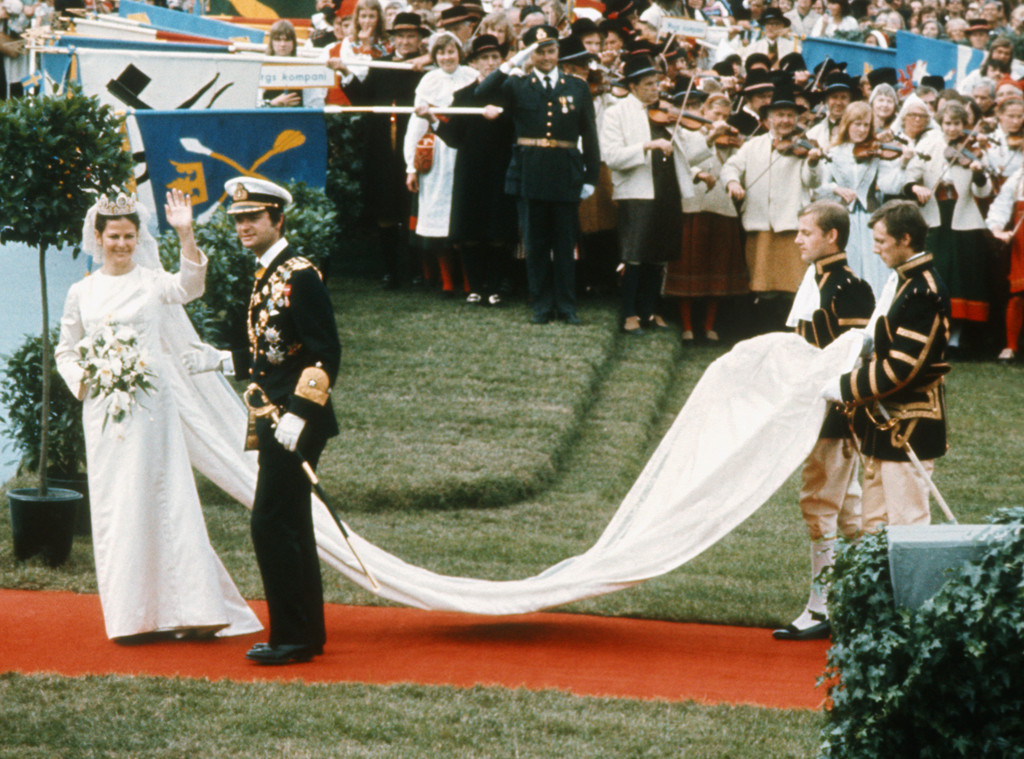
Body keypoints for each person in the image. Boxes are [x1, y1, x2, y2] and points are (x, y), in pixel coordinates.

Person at [54, 190, 262, 643]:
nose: (123, 244)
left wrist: (186, 232)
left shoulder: (152, 281)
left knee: (165, 500)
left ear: (138, 237)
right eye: (114, 236)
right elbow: (66, 349)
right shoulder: (81, 292)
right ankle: (132, 617)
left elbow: (190, 286)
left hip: (153, 411)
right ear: (98, 236)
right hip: (105, 414)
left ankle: (193, 608)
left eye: (130, 236)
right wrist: (86, 379)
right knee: (117, 506)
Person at [223, 177, 341, 665]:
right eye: (238, 219)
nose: (244, 226)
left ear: (278, 219)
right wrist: (221, 359)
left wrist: (300, 412)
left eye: (253, 218)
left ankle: (292, 636)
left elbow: (325, 351)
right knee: (289, 522)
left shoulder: (300, 274)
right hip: (275, 418)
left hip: (294, 421)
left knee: (270, 524)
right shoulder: (267, 271)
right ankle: (304, 633)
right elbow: (271, 351)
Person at [774, 200, 874, 642]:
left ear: (831, 235)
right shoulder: (817, 280)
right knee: (849, 512)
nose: (798, 239)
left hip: (836, 414)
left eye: (806, 232)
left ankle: (822, 606)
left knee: (819, 504)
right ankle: (867, 599)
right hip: (816, 408)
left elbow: (850, 360)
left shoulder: (848, 287)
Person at [821, 200, 951, 534]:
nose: (875, 250)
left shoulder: (923, 292)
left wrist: (845, 387)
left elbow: (901, 368)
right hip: (883, 421)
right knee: (874, 526)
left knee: (906, 527)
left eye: (881, 242)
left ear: (904, 239)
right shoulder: (904, 282)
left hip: (910, 423)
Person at [477, 24, 601, 325]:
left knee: (564, 244)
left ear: (558, 52)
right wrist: (512, 62)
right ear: (529, 54)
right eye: (539, 52)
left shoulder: (577, 87)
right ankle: (542, 306)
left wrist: (590, 177)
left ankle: (567, 306)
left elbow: (590, 135)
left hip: (565, 173)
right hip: (530, 173)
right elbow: (483, 91)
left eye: (550, 50)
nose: (546, 57)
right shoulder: (517, 84)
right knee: (535, 245)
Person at [329, 11, 427, 289]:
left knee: (412, 207)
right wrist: (345, 71)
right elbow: (363, 97)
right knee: (385, 208)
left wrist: (426, 59)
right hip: (382, 146)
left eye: (411, 36)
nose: (406, 41)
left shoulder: (424, 68)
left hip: (414, 144)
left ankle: (417, 270)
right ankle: (390, 271)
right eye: (400, 36)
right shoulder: (382, 65)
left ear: (420, 39)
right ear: (392, 39)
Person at [722, 85, 825, 330]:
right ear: (768, 119)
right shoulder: (752, 145)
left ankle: (791, 335)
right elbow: (730, 166)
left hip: (791, 226)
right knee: (762, 288)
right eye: (779, 115)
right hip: (760, 225)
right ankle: (761, 333)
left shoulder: (804, 146)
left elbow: (813, 182)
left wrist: (812, 162)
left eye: (790, 115)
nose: (785, 120)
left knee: (793, 289)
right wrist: (733, 182)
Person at [601, 55, 687, 335]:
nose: (655, 89)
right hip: (637, 191)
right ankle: (629, 314)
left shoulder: (665, 114)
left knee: (657, 254)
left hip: (666, 188)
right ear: (633, 85)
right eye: (648, 84)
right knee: (634, 254)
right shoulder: (616, 112)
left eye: (657, 84)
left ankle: (649, 310)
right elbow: (612, 156)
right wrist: (648, 145)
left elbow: (688, 153)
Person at [433, 34, 518, 306]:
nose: (490, 62)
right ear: (474, 62)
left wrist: (502, 116)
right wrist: (430, 118)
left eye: (495, 57)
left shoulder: (511, 92)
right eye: (484, 58)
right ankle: (475, 287)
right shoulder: (464, 95)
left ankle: (494, 287)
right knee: (469, 231)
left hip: (501, 168)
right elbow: (453, 137)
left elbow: (519, 130)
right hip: (471, 170)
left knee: (498, 230)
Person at [904, 101, 993, 356]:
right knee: (939, 272)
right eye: (948, 123)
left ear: (964, 125)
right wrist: (915, 187)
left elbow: (983, 191)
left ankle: (956, 338)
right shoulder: (930, 144)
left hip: (964, 219)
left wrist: (978, 174)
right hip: (936, 215)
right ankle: (934, 334)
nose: (952, 128)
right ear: (941, 124)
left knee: (962, 277)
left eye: (957, 124)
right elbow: (913, 172)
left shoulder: (974, 150)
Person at [664, 90, 748, 342]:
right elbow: (684, 161)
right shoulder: (688, 134)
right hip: (693, 206)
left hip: (721, 207)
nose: (721, 119)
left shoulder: (732, 142)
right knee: (689, 267)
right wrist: (710, 138)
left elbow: (737, 169)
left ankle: (709, 326)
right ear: (704, 112)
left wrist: (737, 146)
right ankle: (688, 326)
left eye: (725, 115)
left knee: (716, 269)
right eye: (715, 114)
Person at [405, 31, 477, 298]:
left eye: (451, 51)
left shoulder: (471, 77)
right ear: (435, 56)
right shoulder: (428, 81)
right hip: (436, 158)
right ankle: (447, 281)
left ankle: (470, 280)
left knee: (465, 217)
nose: (447, 57)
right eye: (442, 52)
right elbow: (416, 126)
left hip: (465, 153)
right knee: (439, 219)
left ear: (460, 52)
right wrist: (410, 166)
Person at [818, 100, 900, 298]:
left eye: (866, 125)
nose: (862, 130)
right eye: (857, 124)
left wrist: (902, 161)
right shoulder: (834, 152)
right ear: (847, 124)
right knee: (848, 263)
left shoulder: (876, 151)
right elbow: (819, 187)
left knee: (874, 266)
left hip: (870, 216)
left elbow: (890, 184)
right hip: (843, 218)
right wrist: (836, 189)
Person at [259, 19, 326, 109]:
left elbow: (315, 104)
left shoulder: (305, 68)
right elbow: (253, 103)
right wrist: (273, 104)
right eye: (278, 40)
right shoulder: (260, 67)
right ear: (271, 42)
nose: (282, 44)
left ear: (293, 42)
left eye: (287, 40)